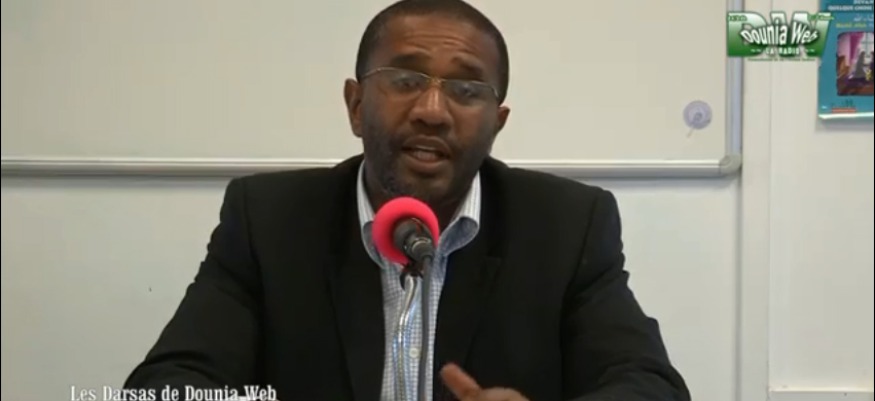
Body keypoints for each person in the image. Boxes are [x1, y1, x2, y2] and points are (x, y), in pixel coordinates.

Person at [123, 0, 691, 400]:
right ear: (355, 105)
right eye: (405, 80)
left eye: (466, 90)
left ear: (496, 124)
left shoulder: (566, 225)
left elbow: (648, 384)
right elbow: (168, 383)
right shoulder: (269, 220)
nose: (432, 111)